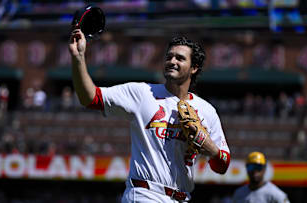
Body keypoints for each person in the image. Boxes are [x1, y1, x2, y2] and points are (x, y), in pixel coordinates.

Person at [69, 27, 230, 202]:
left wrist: (210, 148)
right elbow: (91, 99)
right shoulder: (142, 93)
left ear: (194, 68)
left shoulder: (206, 110)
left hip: (182, 197)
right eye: (169, 56)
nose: (172, 61)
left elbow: (222, 166)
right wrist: (78, 58)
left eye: (180, 58)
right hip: (145, 193)